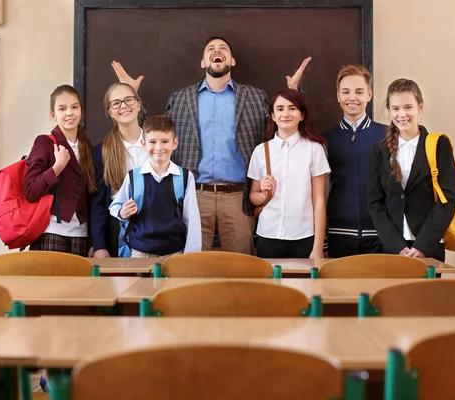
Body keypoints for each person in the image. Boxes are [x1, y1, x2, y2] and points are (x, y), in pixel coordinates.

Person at [111, 36, 311, 254]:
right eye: (211, 49)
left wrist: (293, 93)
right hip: (194, 195)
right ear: (203, 62)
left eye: (223, 48)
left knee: (240, 268)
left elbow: (281, 129)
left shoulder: (254, 97)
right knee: (192, 267)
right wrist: (132, 95)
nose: (217, 51)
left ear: (232, 60)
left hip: (239, 196)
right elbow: (154, 131)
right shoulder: (181, 98)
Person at [367, 78, 455, 262]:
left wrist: (422, 245)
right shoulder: (380, 151)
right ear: (389, 110)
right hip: (392, 249)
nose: (402, 114)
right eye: (396, 108)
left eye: (408, 107)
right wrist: (396, 246)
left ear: (420, 108)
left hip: (429, 246)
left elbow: (447, 200)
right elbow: (374, 202)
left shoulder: (439, 145)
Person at [248, 89, 329, 258]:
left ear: (302, 115)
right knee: (270, 284)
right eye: (280, 109)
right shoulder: (261, 151)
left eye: (292, 108)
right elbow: (253, 197)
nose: (286, 113)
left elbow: (319, 200)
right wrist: (263, 194)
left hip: (303, 236)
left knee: (305, 285)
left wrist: (318, 247)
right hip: (268, 234)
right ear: (272, 115)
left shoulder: (314, 149)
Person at [109, 115, 201, 257]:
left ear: (174, 143)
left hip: (174, 253)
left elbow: (192, 220)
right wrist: (122, 212)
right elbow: (115, 207)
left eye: (165, 141)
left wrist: (191, 256)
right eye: (152, 142)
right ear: (144, 144)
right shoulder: (134, 176)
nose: (159, 147)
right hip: (139, 252)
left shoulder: (184, 177)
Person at [24, 85, 96, 256]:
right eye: (62, 109)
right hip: (50, 232)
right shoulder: (45, 142)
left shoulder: (88, 148)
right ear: (53, 115)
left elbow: (91, 197)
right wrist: (57, 168)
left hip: (81, 235)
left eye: (74, 107)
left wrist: (94, 241)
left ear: (81, 111)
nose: (69, 113)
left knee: (81, 284)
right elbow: (30, 190)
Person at [322, 65, 386, 257]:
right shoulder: (325, 139)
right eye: (346, 92)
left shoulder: (387, 135)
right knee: (337, 288)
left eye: (359, 92)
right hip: (338, 234)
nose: (352, 98)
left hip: (380, 234)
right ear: (338, 96)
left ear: (369, 94)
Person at [90, 83, 148, 258]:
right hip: (118, 229)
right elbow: (98, 204)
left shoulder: (157, 144)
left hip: (154, 225)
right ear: (110, 111)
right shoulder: (103, 151)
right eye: (116, 103)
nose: (123, 106)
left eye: (128, 100)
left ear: (138, 104)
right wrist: (99, 245)